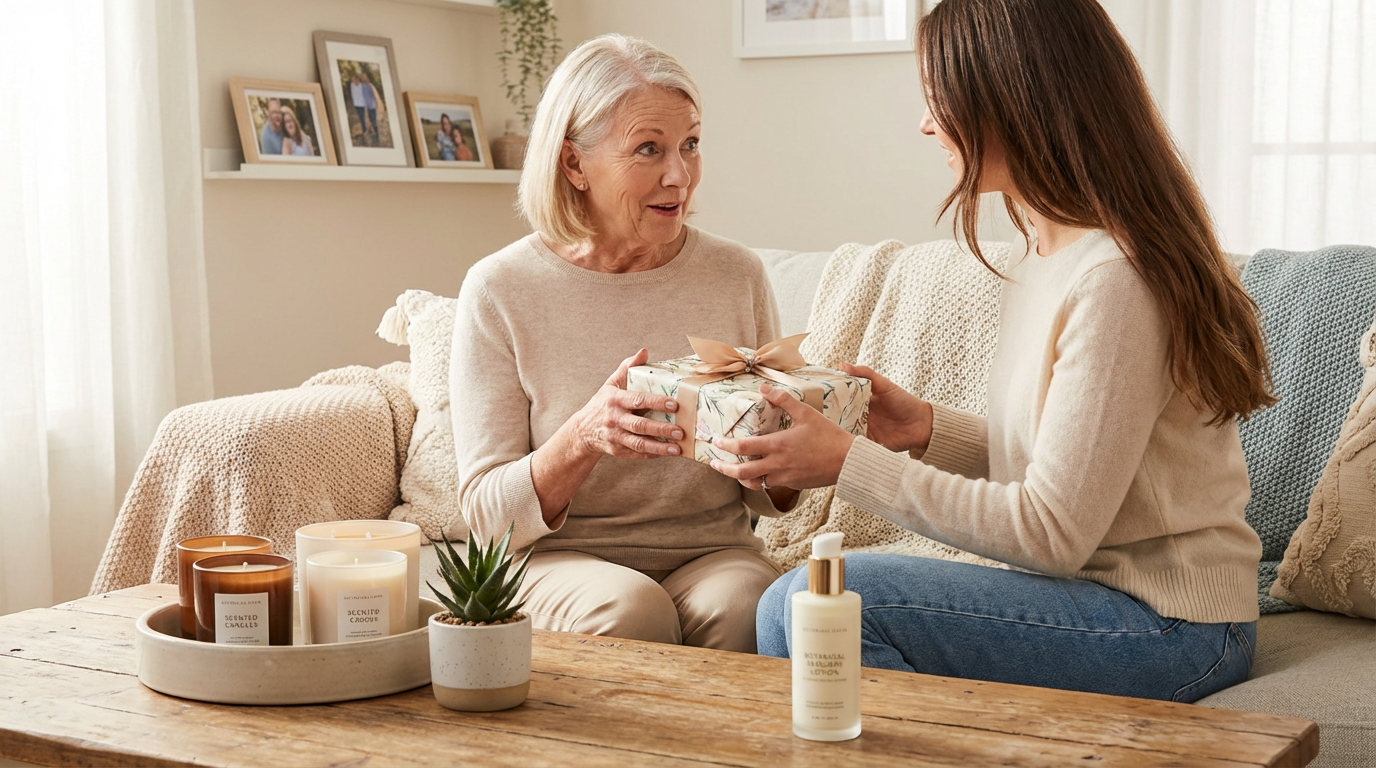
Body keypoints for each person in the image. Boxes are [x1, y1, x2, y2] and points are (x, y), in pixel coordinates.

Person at [730, 0, 1271, 702]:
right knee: (805, 605)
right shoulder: (1049, 252)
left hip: (1174, 625)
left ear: (1007, 98)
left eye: (937, 99)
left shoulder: (1113, 280)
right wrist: (927, 430)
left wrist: (848, 463)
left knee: (807, 604)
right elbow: (1075, 467)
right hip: (1106, 596)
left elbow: (1051, 532)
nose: (925, 124)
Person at [451, 34, 797, 653]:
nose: (680, 175)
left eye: (690, 144)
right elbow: (486, 516)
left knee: (749, 606)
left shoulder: (736, 273)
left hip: (713, 551)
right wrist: (584, 435)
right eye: (648, 149)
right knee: (631, 609)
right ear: (573, 164)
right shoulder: (500, 289)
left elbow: (771, 501)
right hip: (556, 559)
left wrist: (790, 446)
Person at [349, 74, 369, 146]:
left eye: (354, 80)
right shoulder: (352, 85)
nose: (353, 81)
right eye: (352, 80)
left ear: (357, 80)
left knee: (362, 116)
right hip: (356, 104)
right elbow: (352, 93)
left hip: (362, 104)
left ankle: (364, 130)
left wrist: (366, 103)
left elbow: (364, 94)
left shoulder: (361, 86)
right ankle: (363, 129)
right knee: (360, 117)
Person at [361, 75, 380, 144]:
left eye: (364, 77)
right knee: (370, 120)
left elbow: (374, 94)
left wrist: (377, 103)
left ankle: (377, 135)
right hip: (367, 106)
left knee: (374, 120)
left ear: (367, 78)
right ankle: (372, 133)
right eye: (362, 78)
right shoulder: (362, 86)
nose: (363, 79)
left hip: (372, 105)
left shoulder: (370, 85)